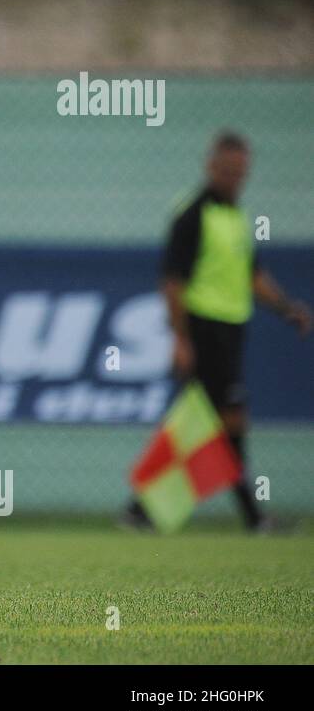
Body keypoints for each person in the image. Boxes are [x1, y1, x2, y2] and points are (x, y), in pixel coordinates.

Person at [123, 131, 311, 532]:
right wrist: (180, 338)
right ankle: (254, 517)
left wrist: (285, 308)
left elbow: (252, 275)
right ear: (210, 166)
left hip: (231, 330)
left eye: (240, 172)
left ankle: (140, 510)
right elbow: (173, 282)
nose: (233, 179)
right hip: (204, 329)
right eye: (226, 170)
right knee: (230, 419)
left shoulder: (237, 217)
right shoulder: (192, 214)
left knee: (199, 422)